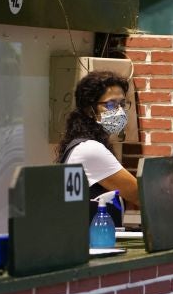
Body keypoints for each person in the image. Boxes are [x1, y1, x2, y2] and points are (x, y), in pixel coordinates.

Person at [55, 71, 139, 222]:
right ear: (90, 110)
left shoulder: (84, 145)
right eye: (111, 104)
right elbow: (140, 195)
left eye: (122, 104)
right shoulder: (90, 150)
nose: (119, 111)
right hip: (91, 241)